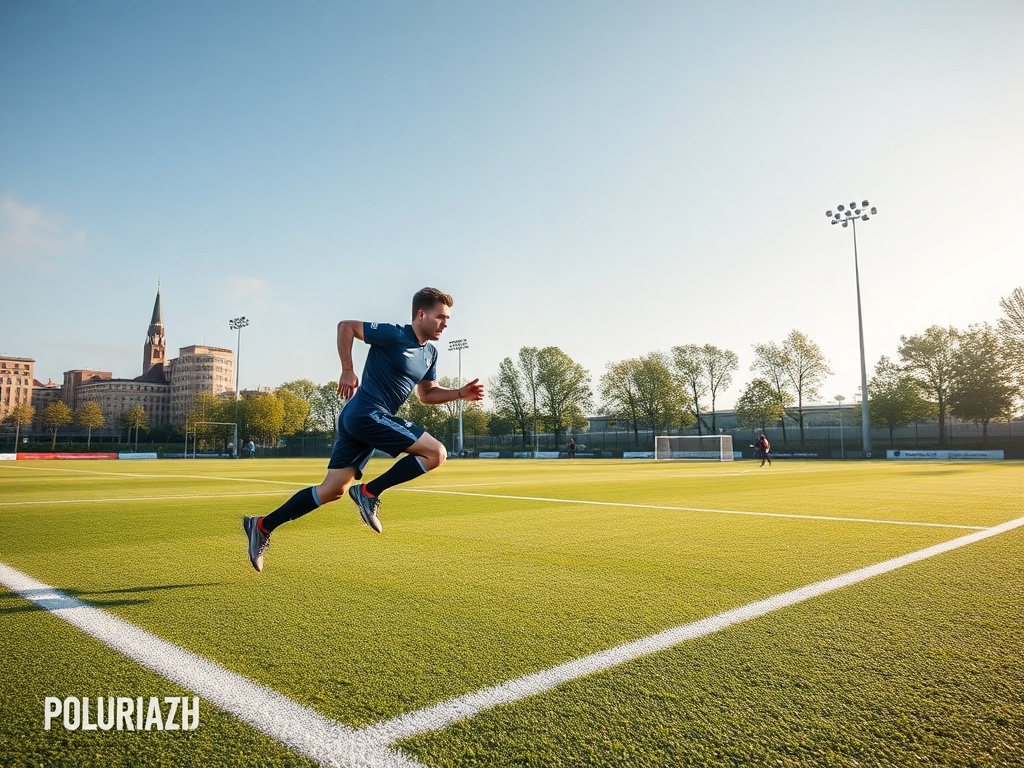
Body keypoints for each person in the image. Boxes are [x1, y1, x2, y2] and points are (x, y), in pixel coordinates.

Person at [242, 287, 484, 572]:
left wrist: (459, 393)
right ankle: (369, 492)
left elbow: (427, 394)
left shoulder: (431, 353)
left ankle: (262, 525)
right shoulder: (394, 335)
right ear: (421, 314)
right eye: (441, 317)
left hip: (364, 419)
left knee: (332, 490)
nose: (445, 324)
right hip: (366, 413)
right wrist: (347, 368)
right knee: (437, 453)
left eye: (447, 319)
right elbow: (346, 327)